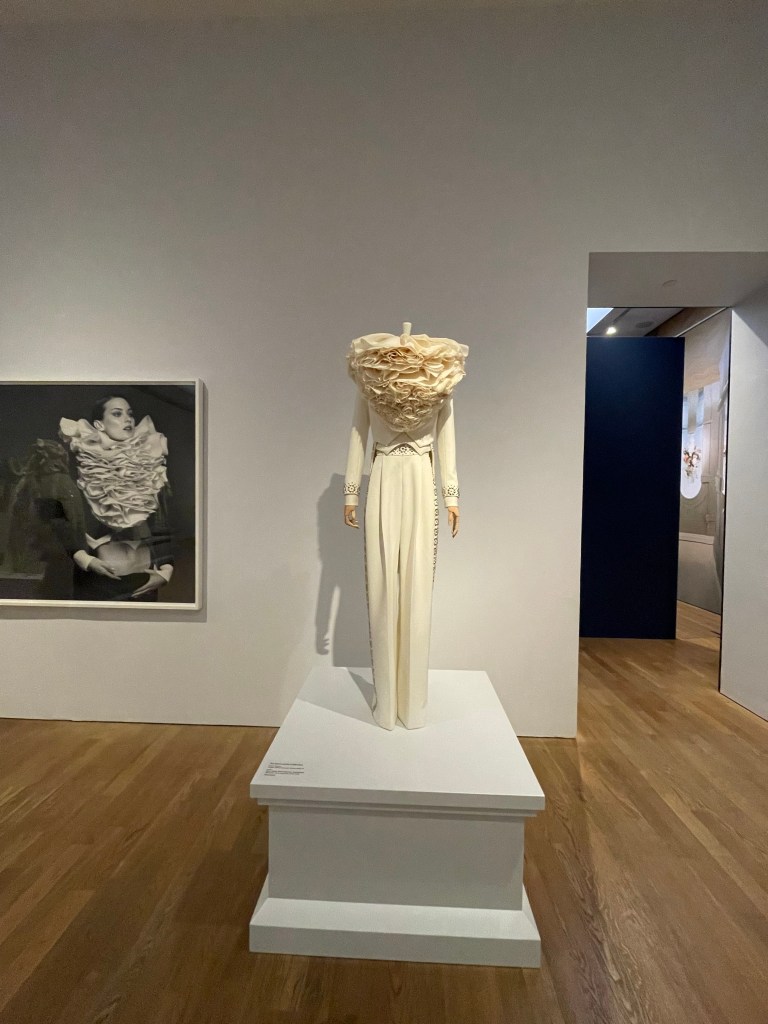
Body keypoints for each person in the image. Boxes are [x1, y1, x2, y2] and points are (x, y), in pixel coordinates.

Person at [343, 324, 467, 730]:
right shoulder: (370, 375)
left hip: (421, 476)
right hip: (382, 474)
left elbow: (446, 435)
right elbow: (358, 433)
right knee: (381, 583)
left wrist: (451, 494)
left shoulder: (440, 375)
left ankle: (412, 704)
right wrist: (350, 492)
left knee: (417, 585)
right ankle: (387, 702)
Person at [59, 396, 174, 602]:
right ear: (99, 424)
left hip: (146, 578)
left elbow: (162, 522)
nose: (127, 419)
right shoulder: (80, 464)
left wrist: (166, 571)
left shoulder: (150, 463)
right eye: (117, 414)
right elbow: (59, 518)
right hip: (98, 578)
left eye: (130, 414)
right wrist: (85, 559)